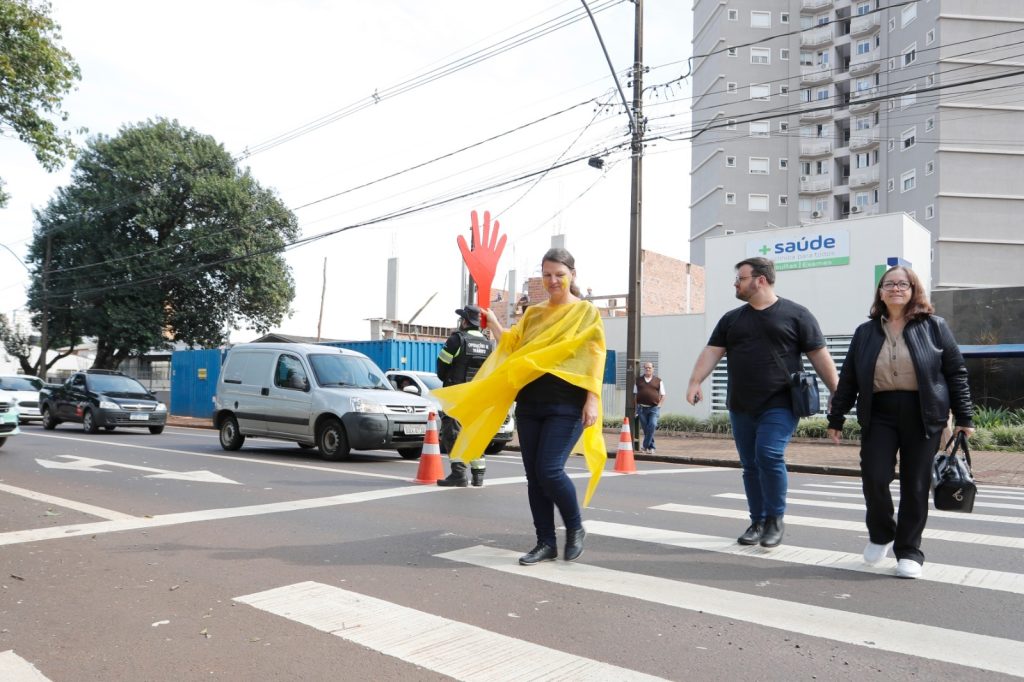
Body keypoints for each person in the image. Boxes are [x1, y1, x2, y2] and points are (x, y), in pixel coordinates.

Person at [434, 247, 607, 566]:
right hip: (530, 403)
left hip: (566, 404)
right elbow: (513, 345)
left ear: (572, 274)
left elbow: (596, 355)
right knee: (533, 476)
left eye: (559, 274)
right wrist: (494, 322)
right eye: (547, 275)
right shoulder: (534, 314)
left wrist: (592, 398)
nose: (553, 281)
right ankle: (545, 542)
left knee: (550, 470)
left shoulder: (585, 312)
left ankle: (575, 527)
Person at [826, 266, 973, 579]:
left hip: (923, 412)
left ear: (913, 289)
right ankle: (881, 533)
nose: (895, 288)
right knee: (874, 476)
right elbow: (850, 377)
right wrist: (836, 416)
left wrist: (964, 417)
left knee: (916, 484)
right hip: (879, 412)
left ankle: (909, 551)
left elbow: (955, 373)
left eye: (902, 283)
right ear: (880, 291)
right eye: (888, 283)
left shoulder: (935, 326)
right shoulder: (865, 332)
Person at [686, 257, 838, 549]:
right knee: (750, 464)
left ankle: (774, 520)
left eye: (740, 279)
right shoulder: (732, 319)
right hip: (741, 404)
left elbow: (819, 355)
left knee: (768, 454)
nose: (735, 283)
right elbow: (712, 352)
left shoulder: (796, 314)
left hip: (780, 402)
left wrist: (836, 391)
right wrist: (695, 382)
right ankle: (757, 521)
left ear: (760, 280)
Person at [435, 304, 493, 487]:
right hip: (478, 395)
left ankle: (458, 474)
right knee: (475, 433)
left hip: (457, 394)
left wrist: (448, 382)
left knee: (453, 432)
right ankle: (478, 475)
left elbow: (442, 368)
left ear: (465, 321)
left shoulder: (456, 340)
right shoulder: (487, 343)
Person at [633, 362, 665, 454]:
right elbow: (635, 395)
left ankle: (644, 446)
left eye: (649, 368)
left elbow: (663, 395)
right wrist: (636, 409)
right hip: (641, 408)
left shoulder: (658, 381)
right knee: (647, 429)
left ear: (653, 369)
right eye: (646, 368)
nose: (648, 369)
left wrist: (659, 406)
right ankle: (651, 447)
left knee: (653, 425)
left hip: (654, 408)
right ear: (644, 369)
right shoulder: (638, 380)